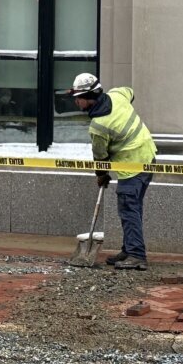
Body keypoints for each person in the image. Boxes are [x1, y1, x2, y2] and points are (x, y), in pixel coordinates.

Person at [66, 72, 155, 271]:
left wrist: (101, 175)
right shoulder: (117, 95)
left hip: (131, 168)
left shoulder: (99, 126)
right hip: (148, 156)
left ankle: (137, 255)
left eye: (78, 99)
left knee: (129, 210)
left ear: (88, 99)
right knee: (133, 208)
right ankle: (129, 248)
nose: (76, 103)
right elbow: (130, 93)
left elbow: (100, 157)